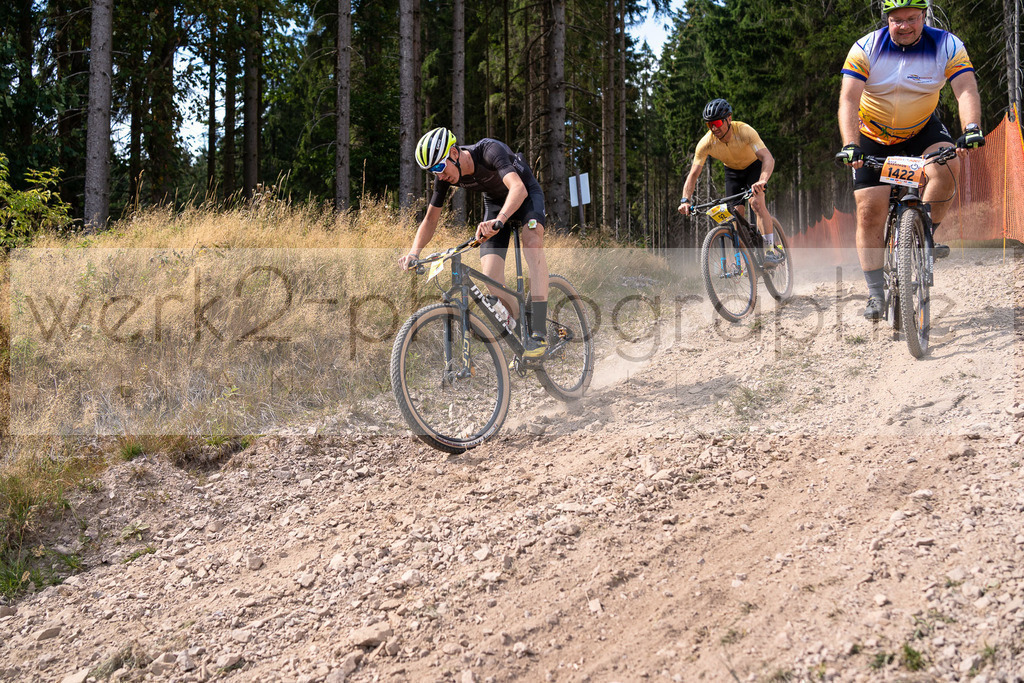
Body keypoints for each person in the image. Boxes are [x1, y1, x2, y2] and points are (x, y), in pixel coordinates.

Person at [837, 0, 984, 320]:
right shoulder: (865, 48)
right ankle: (876, 294)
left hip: (921, 129)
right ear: (887, 19)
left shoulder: (946, 44)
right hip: (873, 138)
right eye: (897, 20)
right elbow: (848, 99)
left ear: (924, 16)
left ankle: (924, 234)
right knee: (868, 212)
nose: (905, 26)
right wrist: (851, 145)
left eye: (912, 18)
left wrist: (970, 128)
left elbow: (965, 89)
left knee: (947, 168)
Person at [398, 127, 550, 358]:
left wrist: (499, 221)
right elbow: (430, 219)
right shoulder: (445, 177)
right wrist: (413, 252)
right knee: (490, 276)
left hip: (526, 196)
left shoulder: (489, 150)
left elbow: (517, 188)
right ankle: (523, 328)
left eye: (439, 167)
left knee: (531, 243)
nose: (439, 176)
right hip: (496, 205)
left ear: (454, 153)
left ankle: (539, 330)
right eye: (432, 172)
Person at [678, 98, 785, 266]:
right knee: (735, 215)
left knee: (756, 203)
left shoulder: (744, 131)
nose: (714, 128)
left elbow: (767, 157)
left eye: (717, 122)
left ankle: (769, 250)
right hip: (733, 173)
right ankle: (749, 262)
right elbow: (693, 175)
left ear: (729, 119)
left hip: (754, 167)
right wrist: (685, 200)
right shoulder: (706, 143)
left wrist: (762, 180)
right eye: (709, 124)